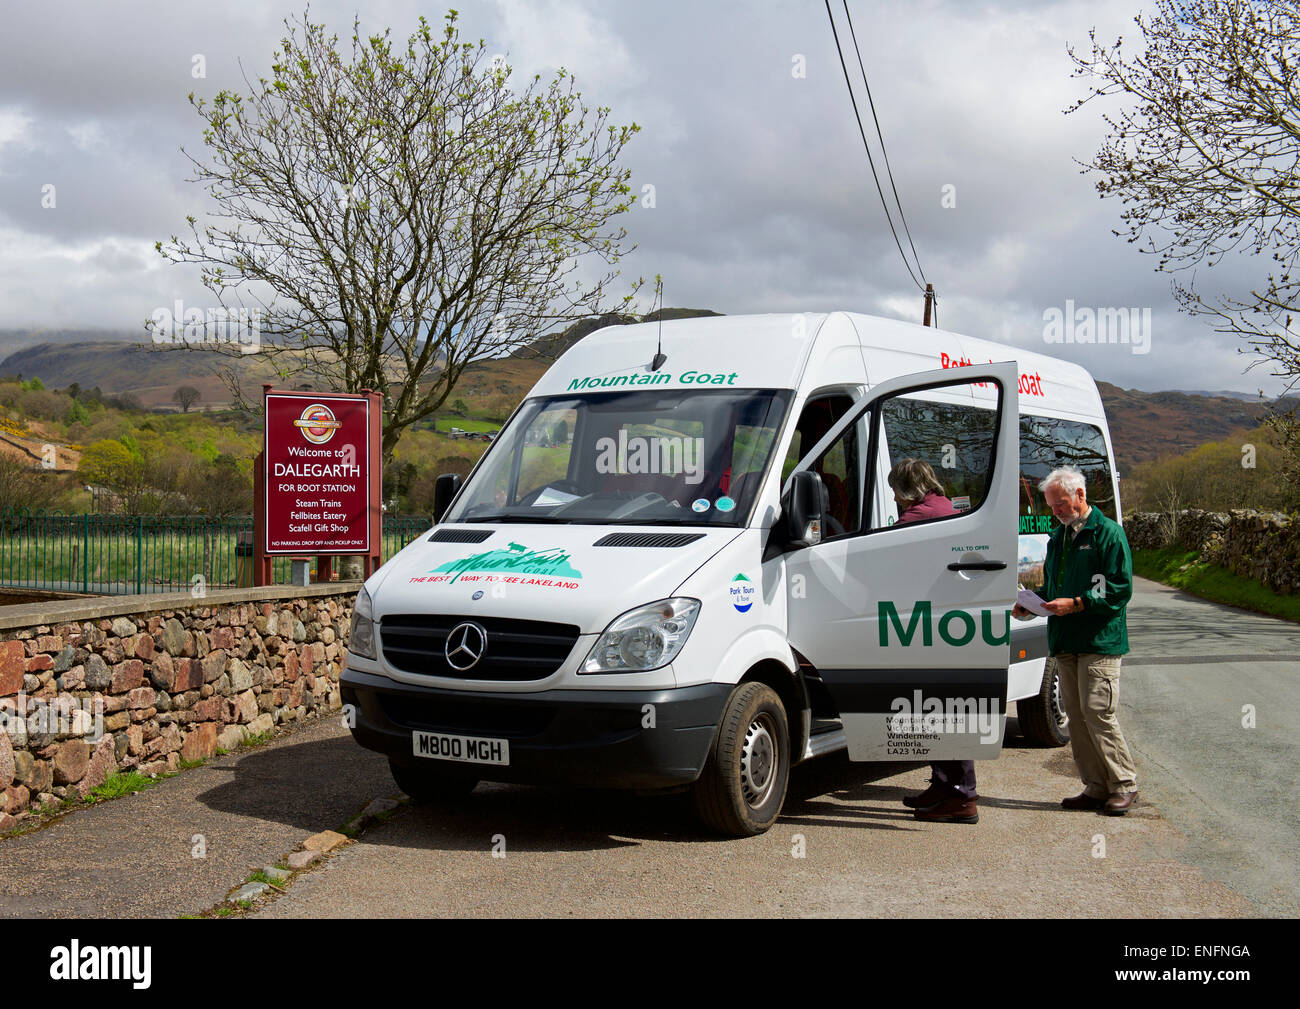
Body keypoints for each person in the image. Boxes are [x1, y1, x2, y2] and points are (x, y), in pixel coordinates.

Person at [1013, 466, 1138, 815]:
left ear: (1080, 496)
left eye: (1061, 504)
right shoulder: (1059, 537)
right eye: (1052, 506)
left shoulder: (1108, 534)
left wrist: (1080, 603)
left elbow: (1119, 589)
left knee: (1099, 713)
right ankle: (1096, 786)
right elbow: (1054, 590)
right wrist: (1032, 605)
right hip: (1065, 641)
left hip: (1100, 641)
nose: (1056, 511)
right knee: (1078, 718)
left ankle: (1124, 783)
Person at [889, 458, 979, 825]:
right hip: (949, 625)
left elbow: (888, 565)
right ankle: (946, 786)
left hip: (923, 626)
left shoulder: (915, 519)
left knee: (937, 711)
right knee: (947, 710)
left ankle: (960, 796)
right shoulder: (946, 508)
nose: (894, 498)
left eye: (896, 490)